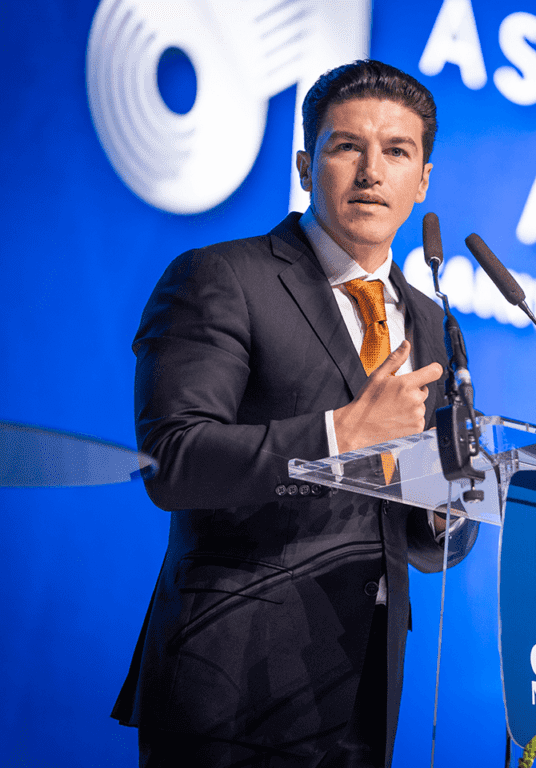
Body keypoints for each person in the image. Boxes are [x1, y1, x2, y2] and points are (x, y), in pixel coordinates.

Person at [112, 60, 478, 768]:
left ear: (422, 180)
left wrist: (444, 514)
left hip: (365, 694)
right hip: (230, 684)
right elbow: (175, 462)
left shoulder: (435, 325)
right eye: (348, 147)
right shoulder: (222, 277)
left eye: (397, 151)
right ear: (309, 167)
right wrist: (341, 435)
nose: (372, 171)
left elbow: (428, 536)